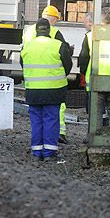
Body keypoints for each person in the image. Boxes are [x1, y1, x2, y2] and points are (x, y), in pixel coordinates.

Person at [20, 18, 72, 161]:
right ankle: (49, 152)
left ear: (36, 30)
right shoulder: (58, 45)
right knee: (51, 120)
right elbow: (67, 66)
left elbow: (23, 65)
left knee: (36, 121)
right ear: (49, 30)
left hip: (33, 91)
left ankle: (36, 152)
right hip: (53, 91)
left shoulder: (27, 47)